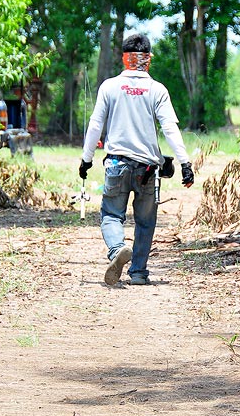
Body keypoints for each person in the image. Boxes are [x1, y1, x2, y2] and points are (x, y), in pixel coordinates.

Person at [79, 33, 194, 286]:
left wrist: (86, 159)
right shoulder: (157, 90)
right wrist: (185, 163)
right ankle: (139, 273)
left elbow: (96, 125)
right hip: (148, 169)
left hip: (116, 164)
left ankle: (117, 249)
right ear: (147, 59)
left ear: (124, 58)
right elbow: (170, 128)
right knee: (145, 221)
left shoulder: (109, 86)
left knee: (111, 215)